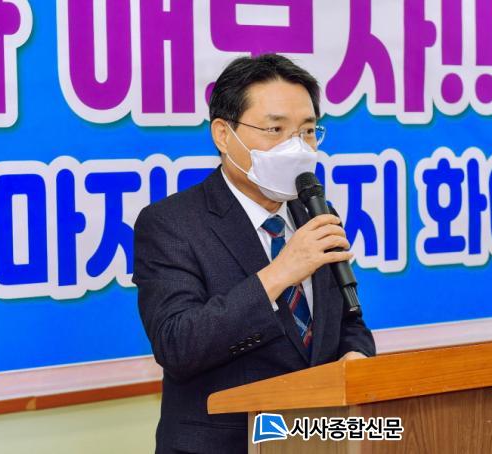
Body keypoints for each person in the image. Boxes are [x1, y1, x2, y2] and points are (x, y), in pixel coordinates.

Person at [132, 54, 377, 454]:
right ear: (224, 134)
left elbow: (349, 319)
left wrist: (356, 355)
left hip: (315, 439)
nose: (296, 147)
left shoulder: (316, 212)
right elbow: (177, 345)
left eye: (307, 131)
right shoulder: (171, 223)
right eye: (275, 129)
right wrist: (279, 273)